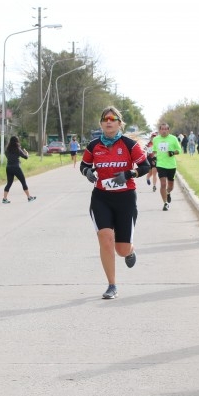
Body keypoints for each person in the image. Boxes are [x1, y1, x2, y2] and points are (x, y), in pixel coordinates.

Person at [79, 106, 150, 299]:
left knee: (121, 249)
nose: (108, 122)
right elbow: (84, 165)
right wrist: (87, 172)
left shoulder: (128, 144)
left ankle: (130, 251)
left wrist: (128, 173)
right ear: (101, 123)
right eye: (105, 119)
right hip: (101, 198)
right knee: (105, 238)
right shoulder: (93, 146)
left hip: (125, 198)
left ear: (119, 123)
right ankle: (111, 285)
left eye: (112, 119)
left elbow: (145, 166)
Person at [151, 123, 181, 211]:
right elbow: (155, 151)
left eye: (165, 129)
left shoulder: (173, 138)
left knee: (171, 186)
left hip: (171, 165)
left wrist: (172, 153)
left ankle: (168, 193)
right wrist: (154, 158)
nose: (164, 131)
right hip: (160, 165)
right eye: (162, 129)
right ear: (159, 130)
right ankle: (165, 203)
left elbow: (179, 150)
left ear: (168, 130)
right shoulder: (156, 139)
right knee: (163, 184)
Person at [2, 136, 36, 203]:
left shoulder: (7, 149)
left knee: (9, 183)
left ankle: (4, 199)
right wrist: (26, 153)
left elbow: (7, 156)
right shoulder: (18, 149)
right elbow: (26, 157)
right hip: (16, 167)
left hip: (8, 167)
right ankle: (29, 197)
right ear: (17, 141)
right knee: (23, 182)